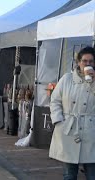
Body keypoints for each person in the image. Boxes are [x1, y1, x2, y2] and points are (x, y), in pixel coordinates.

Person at [49, 46, 95, 180]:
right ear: (78, 62)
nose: (87, 64)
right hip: (69, 130)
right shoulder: (67, 79)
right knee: (69, 174)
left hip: (90, 131)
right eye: (84, 61)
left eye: (91, 61)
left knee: (92, 174)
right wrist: (58, 121)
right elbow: (55, 100)